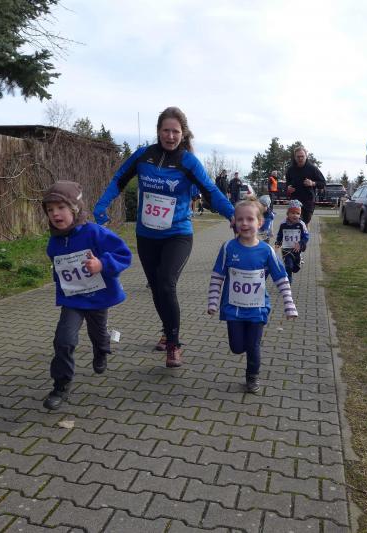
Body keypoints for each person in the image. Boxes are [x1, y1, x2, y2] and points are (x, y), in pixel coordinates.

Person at [93, 106, 235, 368]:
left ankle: (173, 344)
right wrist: (102, 205)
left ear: (183, 134)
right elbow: (119, 180)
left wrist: (233, 215)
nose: (170, 136)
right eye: (166, 131)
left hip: (177, 234)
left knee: (166, 284)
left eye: (175, 132)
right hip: (146, 235)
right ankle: (167, 329)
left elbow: (211, 191)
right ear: (158, 131)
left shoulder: (188, 162)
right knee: (157, 288)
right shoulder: (143, 155)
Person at [42, 181, 132, 410]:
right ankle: (61, 386)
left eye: (61, 207)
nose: (55, 214)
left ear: (74, 208)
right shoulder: (54, 243)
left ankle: (101, 351)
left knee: (98, 333)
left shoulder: (95, 232)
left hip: (98, 297)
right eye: (50, 210)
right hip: (73, 300)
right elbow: (60, 268)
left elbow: (124, 254)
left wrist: (102, 264)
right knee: (63, 340)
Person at [207, 197, 297, 393]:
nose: (245, 223)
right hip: (233, 310)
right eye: (240, 219)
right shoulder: (228, 248)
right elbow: (217, 276)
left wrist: (289, 304)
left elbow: (281, 278)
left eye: (250, 219)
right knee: (237, 347)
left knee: (253, 345)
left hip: (257, 309)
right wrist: (213, 301)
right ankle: (246, 349)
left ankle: (252, 376)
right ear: (234, 222)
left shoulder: (266, 251)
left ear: (260, 222)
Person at [284, 146, 326, 225]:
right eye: (298, 157)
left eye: (302, 156)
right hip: (295, 201)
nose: (300, 158)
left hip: (308, 201)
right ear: (295, 157)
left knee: (305, 223)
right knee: (295, 223)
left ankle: (305, 231)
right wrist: (288, 187)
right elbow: (287, 182)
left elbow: (323, 183)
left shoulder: (312, 169)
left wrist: (312, 183)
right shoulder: (290, 169)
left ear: (306, 156)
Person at [274, 200, 309, 284]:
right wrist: (278, 243)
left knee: (295, 268)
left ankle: (298, 260)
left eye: (298, 213)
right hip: (286, 249)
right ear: (288, 213)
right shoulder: (283, 224)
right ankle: (288, 282)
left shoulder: (301, 224)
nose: (295, 215)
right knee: (288, 266)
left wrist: (300, 243)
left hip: (296, 249)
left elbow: (306, 236)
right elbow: (280, 235)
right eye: (292, 213)